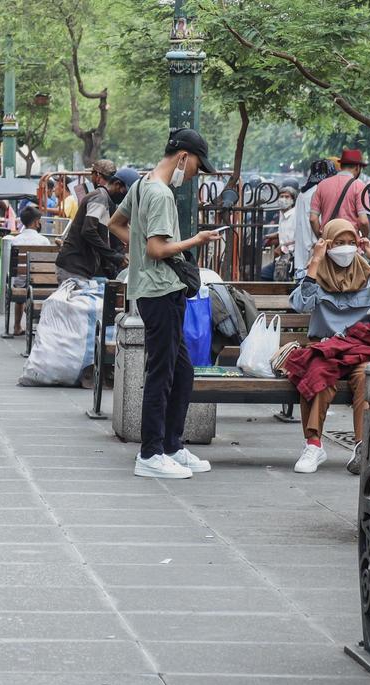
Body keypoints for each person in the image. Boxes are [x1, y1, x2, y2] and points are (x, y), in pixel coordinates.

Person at [107, 128, 222, 479]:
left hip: (151, 289)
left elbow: (116, 224)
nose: (193, 176)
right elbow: (158, 248)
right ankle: (151, 452)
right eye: (196, 168)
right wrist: (196, 239)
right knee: (162, 372)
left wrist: (140, 251)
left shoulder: (142, 185)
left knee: (182, 371)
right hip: (161, 291)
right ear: (184, 156)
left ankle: (172, 445)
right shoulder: (159, 194)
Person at [286, 217, 370, 474]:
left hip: (358, 348)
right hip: (325, 347)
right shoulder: (315, 273)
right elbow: (300, 305)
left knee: (367, 376)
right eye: (338, 242)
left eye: (350, 242)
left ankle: (363, 445)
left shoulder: (369, 273)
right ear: (327, 244)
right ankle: (314, 444)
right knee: (317, 376)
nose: (345, 248)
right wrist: (315, 262)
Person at [57, 162, 134, 283]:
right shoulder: (100, 198)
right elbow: (88, 231)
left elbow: (104, 238)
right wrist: (114, 256)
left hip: (82, 269)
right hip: (74, 268)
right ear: (117, 185)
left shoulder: (109, 202)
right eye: (125, 193)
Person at [4, 206, 51, 336]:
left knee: (19, 285)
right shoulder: (44, 241)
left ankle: (17, 326)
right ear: (36, 222)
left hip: (19, 283)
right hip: (38, 284)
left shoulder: (15, 241)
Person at [310, 148, 370, 237]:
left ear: (341, 166)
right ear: (358, 167)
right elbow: (363, 221)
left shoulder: (322, 185)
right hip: (350, 242)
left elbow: (313, 219)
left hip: (328, 242)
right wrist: (365, 238)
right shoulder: (359, 186)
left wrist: (321, 237)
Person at [293, 159, 336, 277]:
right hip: (315, 245)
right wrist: (320, 237)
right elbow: (314, 219)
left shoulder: (303, 193)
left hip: (303, 246)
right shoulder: (319, 191)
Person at [264, 185, 297, 281]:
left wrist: (282, 246)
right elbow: (285, 231)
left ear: (293, 200)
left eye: (287, 197)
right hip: (282, 257)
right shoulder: (282, 214)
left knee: (280, 281)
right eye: (281, 196)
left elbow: (298, 237)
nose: (283, 199)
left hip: (291, 257)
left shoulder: (296, 215)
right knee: (264, 275)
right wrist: (269, 236)